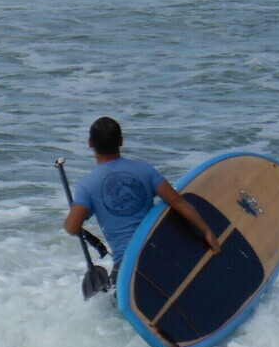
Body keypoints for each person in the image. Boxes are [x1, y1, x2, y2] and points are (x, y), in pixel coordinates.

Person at [63, 117, 221, 282]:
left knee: (113, 301)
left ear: (90, 142)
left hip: (127, 265)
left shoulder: (87, 185)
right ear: (121, 141)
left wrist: (79, 222)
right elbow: (178, 202)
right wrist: (207, 231)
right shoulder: (146, 171)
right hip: (158, 255)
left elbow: (72, 227)